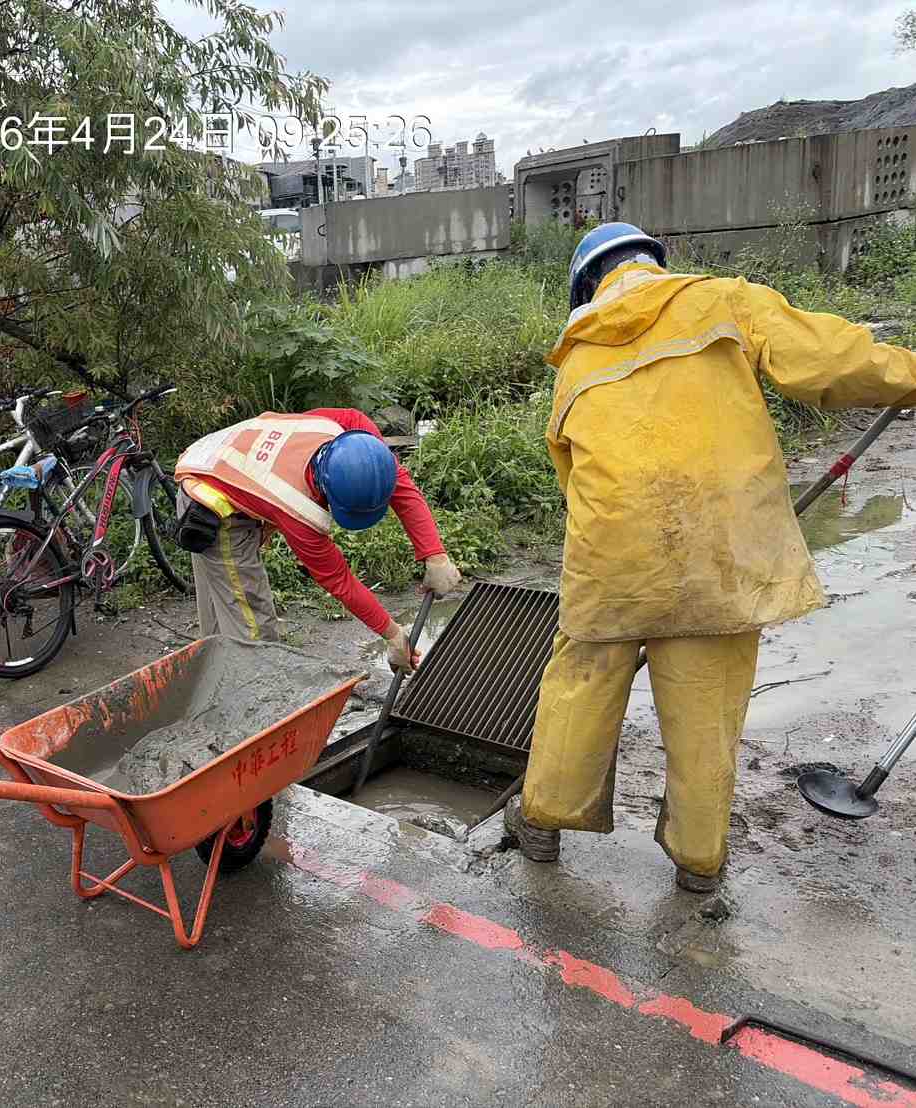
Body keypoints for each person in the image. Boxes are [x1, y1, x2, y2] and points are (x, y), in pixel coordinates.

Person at [505, 222, 916, 893]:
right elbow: (830, 361)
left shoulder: (575, 361)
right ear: (652, 265)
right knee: (704, 707)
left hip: (611, 562)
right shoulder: (721, 300)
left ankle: (542, 824)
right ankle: (698, 865)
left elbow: (571, 480)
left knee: (578, 686)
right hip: (718, 553)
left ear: (587, 287)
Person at [172, 408, 462, 671]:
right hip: (211, 503)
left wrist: (435, 555)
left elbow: (398, 482)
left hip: (216, 457)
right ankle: (256, 695)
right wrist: (393, 635)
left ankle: (213, 675)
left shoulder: (352, 432)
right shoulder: (295, 507)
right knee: (252, 624)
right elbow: (339, 580)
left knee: (222, 606)